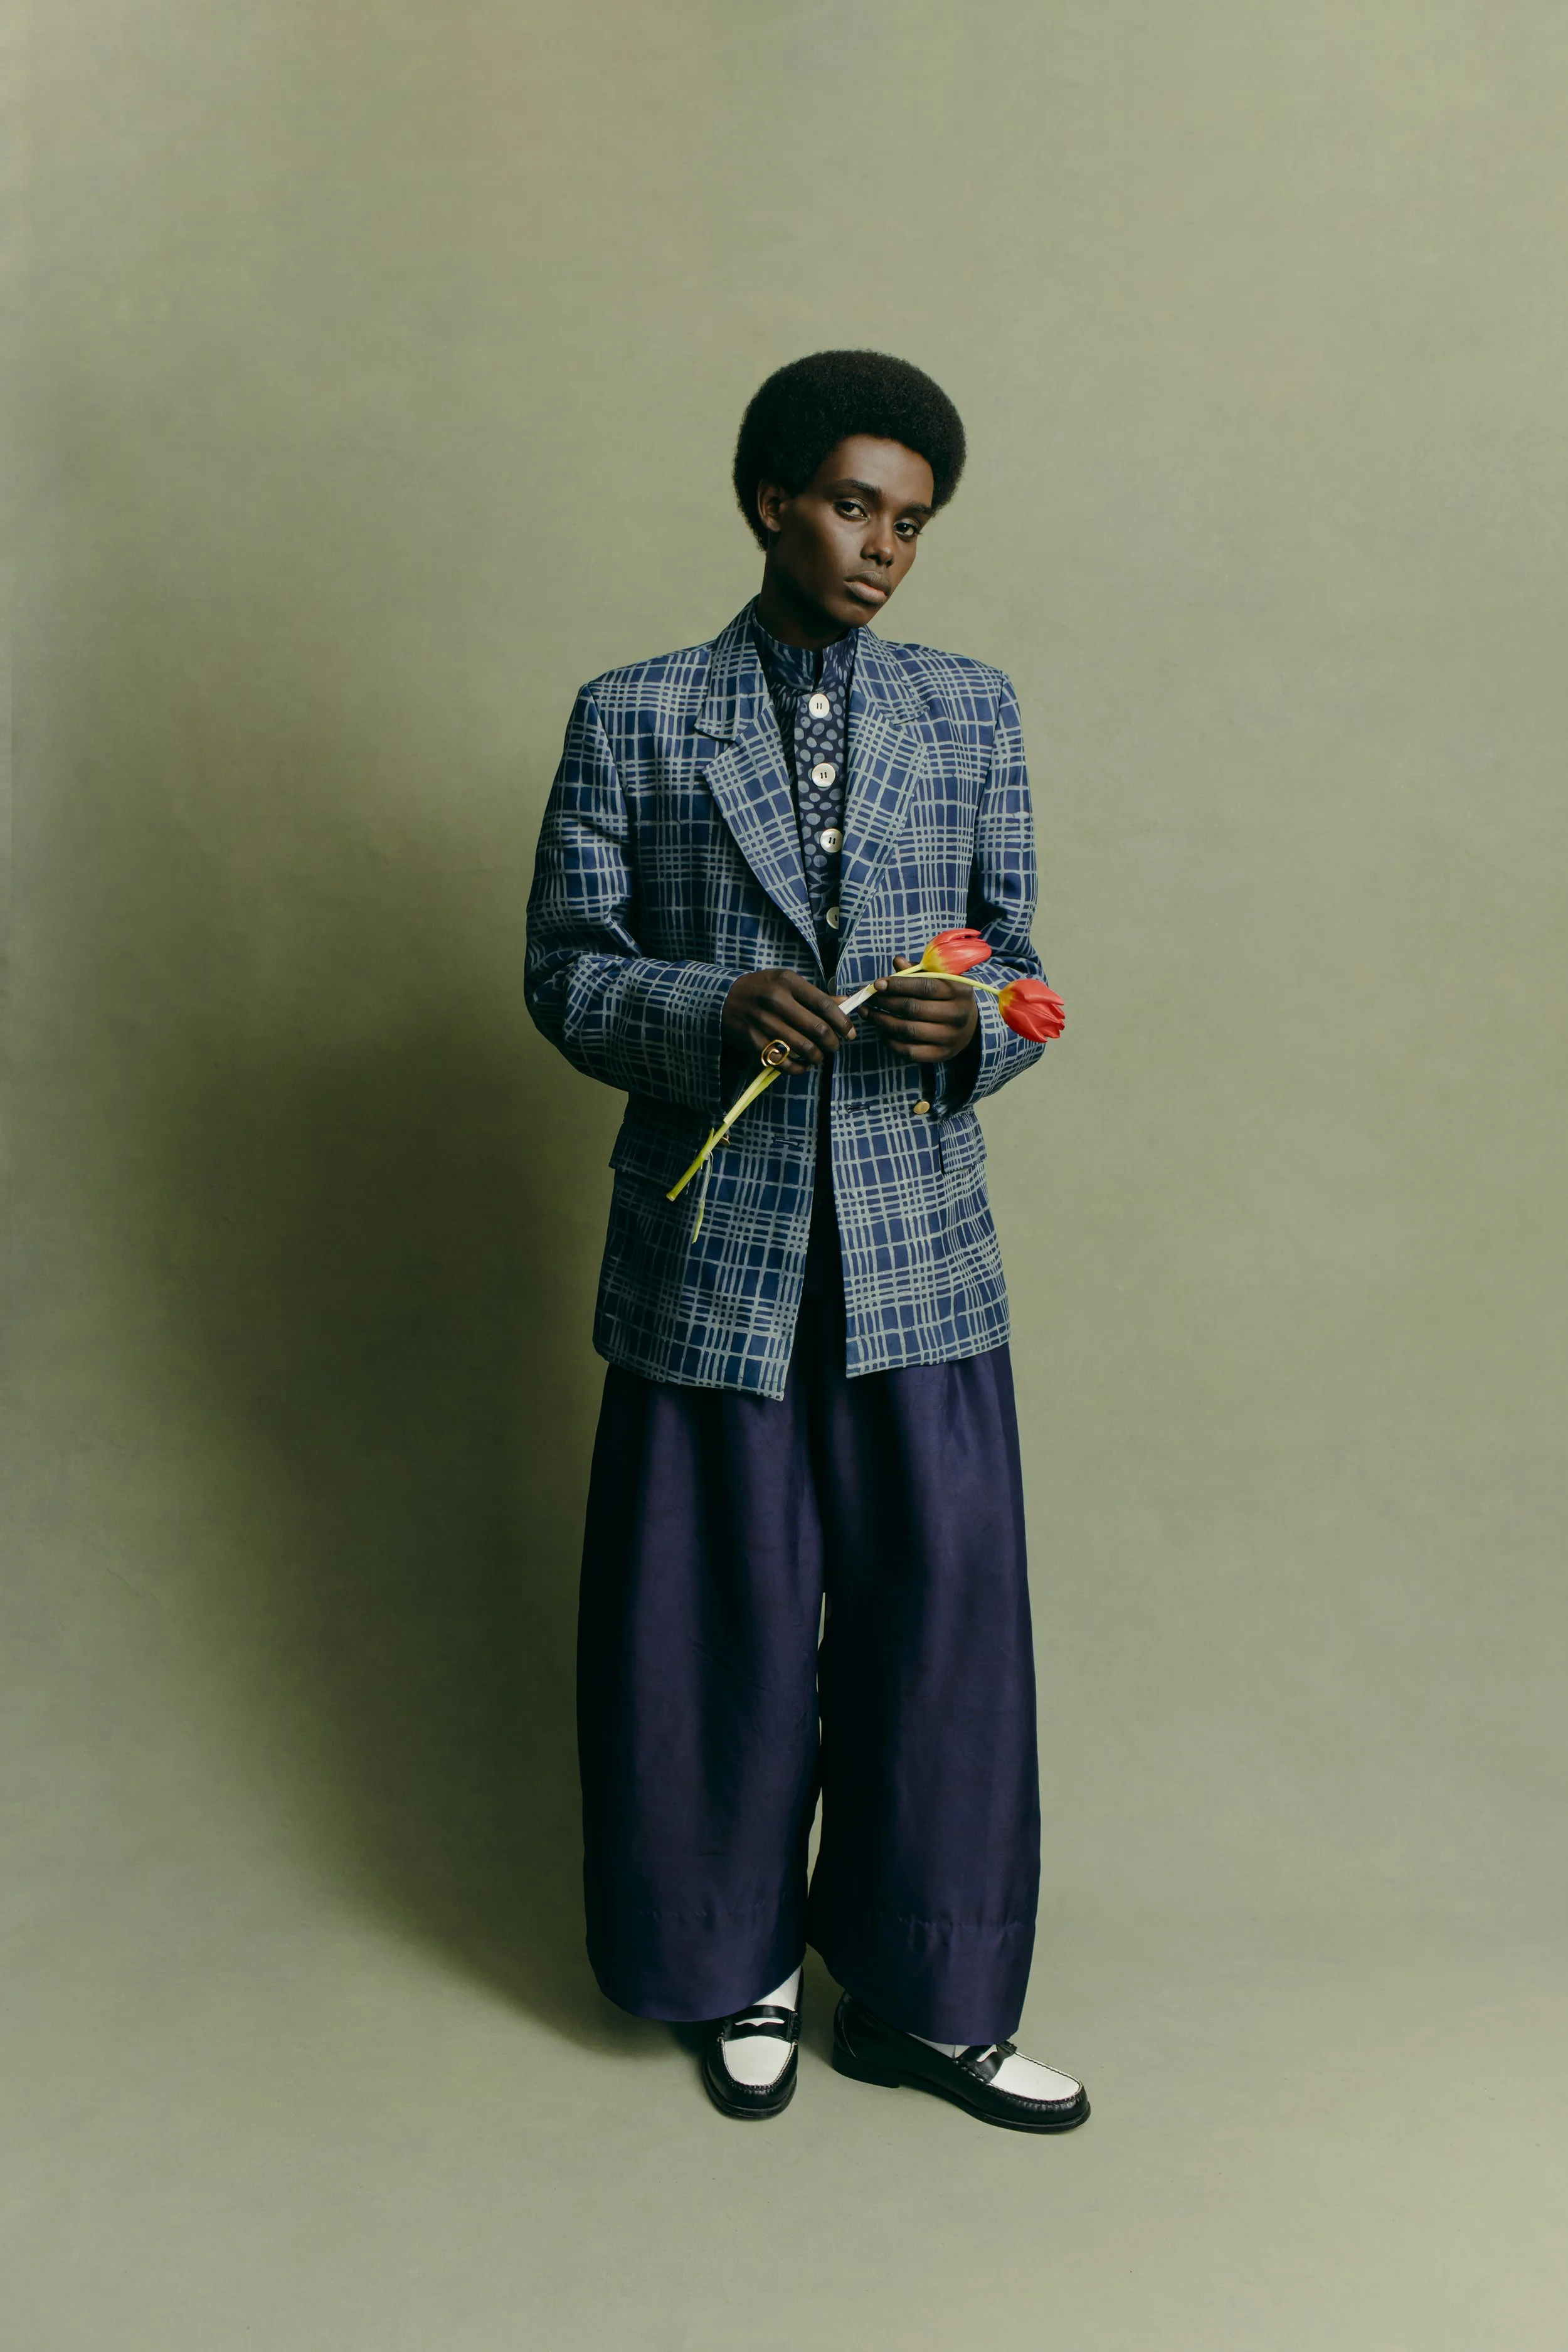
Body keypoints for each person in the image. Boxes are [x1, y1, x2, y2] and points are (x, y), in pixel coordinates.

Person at [525, 349, 1088, 2131]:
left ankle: (929, 2000)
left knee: (944, 1628)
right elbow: (564, 969)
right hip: (716, 1260)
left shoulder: (972, 710)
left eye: (912, 522)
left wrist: (966, 1021)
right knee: (716, 1623)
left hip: (918, 1249)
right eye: (854, 506)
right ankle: (731, 1967)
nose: (882, 548)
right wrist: (707, 1008)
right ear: (772, 501)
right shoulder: (633, 714)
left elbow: (1018, 963)